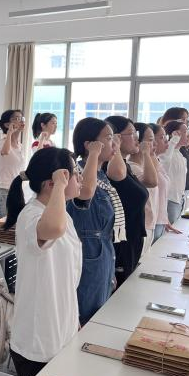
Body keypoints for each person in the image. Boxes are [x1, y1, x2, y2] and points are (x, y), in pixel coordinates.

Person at [5, 147, 84, 376]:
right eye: (74, 174)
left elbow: (67, 276)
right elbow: (53, 229)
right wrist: (60, 185)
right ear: (51, 183)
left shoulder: (62, 215)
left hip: (61, 329)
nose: (79, 178)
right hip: (38, 339)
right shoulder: (31, 216)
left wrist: (73, 319)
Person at [67, 118, 124, 325]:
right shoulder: (79, 173)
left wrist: (110, 268)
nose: (113, 144)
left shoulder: (100, 174)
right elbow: (85, 193)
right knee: (86, 316)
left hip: (103, 252)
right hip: (89, 253)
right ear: (89, 144)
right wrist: (93, 155)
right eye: (108, 138)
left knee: (98, 313)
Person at [104, 116, 150, 286]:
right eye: (131, 133)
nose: (137, 138)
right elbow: (118, 174)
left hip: (133, 238)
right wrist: (115, 146)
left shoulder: (126, 165)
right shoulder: (111, 166)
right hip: (121, 243)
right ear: (116, 137)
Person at [127, 123, 160, 258]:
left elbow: (156, 173)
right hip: (143, 226)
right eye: (151, 140)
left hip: (150, 224)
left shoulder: (144, 165)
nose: (155, 144)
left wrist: (150, 154)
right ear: (138, 142)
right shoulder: (132, 167)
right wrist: (146, 153)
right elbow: (152, 181)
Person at [0, 109, 26, 220]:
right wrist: (9, 133)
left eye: (21, 118)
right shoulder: (2, 142)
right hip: (5, 192)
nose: (21, 121)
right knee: (2, 228)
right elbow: (5, 152)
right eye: (16, 118)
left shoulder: (20, 146)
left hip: (18, 192)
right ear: (7, 124)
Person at [159, 120, 189, 226]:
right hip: (169, 200)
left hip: (179, 199)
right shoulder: (166, 152)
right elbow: (165, 161)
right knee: (167, 233)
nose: (188, 135)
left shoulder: (180, 155)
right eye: (185, 132)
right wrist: (173, 140)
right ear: (175, 134)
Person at [160, 107, 189, 192]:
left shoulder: (182, 146)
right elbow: (165, 161)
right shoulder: (168, 145)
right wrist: (174, 141)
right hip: (170, 192)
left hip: (183, 188)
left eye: (187, 119)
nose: (187, 121)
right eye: (183, 119)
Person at [149, 123, 171, 241]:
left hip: (160, 220)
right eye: (162, 137)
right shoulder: (146, 165)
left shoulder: (158, 161)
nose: (166, 141)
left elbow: (162, 197)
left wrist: (165, 218)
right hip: (153, 222)